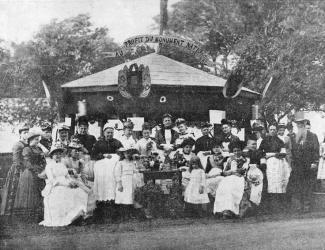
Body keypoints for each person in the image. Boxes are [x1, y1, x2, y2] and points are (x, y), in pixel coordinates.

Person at [39, 144, 93, 227]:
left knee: (80, 192)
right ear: (52, 155)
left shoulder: (62, 165)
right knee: (64, 193)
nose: (58, 156)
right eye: (55, 154)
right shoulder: (49, 166)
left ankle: (79, 216)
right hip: (55, 186)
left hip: (66, 183)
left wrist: (72, 182)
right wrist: (66, 183)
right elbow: (52, 180)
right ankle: (67, 218)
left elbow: (67, 176)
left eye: (59, 154)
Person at [287, 112, 319, 212]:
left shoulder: (312, 136)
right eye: (298, 123)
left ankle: (307, 206)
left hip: (308, 165)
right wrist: (291, 163)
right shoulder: (294, 137)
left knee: (307, 185)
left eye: (301, 123)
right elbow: (292, 152)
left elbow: (316, 150)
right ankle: (299, 206)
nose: (300, 125)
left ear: (305, 124)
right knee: (298, 186)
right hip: (297, 166)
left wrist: (315, 162)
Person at [14, 132, 46, 221]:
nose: (38, 141)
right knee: (31, 193)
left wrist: (43, 169)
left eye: (38, 139)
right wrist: (37, 172)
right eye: (36, 139)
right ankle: (29, 215)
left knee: (40, 192)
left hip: (40, 170)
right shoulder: (26, 149)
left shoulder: (39, 148)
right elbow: (27, 163)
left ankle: (40, 214)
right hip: (30, 173)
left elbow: (43, 159)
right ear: (30, 140)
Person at [259, 124, 291, 212]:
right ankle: (269, 206)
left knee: (279, 181)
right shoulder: (264, 141)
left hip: (278, 163)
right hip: (268, 163)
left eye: (274, 129)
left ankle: (280, 205)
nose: (272, 131)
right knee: (269, 181)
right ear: (268, 130)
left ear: (276, 131)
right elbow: (260, 152)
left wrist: (273, 154)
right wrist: (263, 161)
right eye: (271, 129)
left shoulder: (280, 141)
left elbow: (283, 153)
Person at [213, 141, 248, 218]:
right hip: (229, 177)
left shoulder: (245, 159)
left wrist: (240, 172)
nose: (236, 152)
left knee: (233, 189)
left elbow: (245, 170)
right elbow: (224, 172)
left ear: (241, 150)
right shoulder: (229, 159)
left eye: (238, 150)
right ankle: (223, 210)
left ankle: (231, 210)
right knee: (223, 189)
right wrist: (231, 172)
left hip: (239, 178)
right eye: (234, 151)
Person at [0, 124, 29, 216]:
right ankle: (10, 210)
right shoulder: (18, 144)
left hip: (26, 167)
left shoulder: (28, 144)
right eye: (24, 133)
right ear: (20, 134)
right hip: (18, 168)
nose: (26, 134)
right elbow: (16, 159)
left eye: (27, 133)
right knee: (14, 188)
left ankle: (22, 209)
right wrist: (19, 169)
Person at [114, 148, 139, 220]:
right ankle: (124, 216)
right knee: (123, 198)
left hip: (131, 182)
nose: (127, 155)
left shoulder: (132, 162)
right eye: (125, 153)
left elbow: (135, 171)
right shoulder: (120, 163)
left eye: (128, 153)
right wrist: (119, 184)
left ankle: (129, 215)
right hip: (124, 182)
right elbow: (117, 174)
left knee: (130, 198)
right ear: (123, 154)